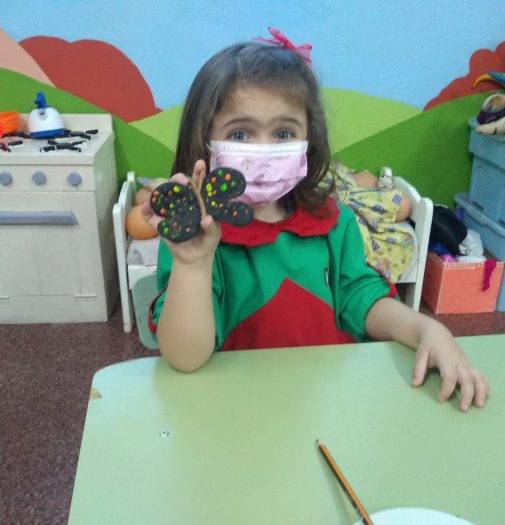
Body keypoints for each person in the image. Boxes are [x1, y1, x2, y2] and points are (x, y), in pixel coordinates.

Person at [142, 28, 489, 411]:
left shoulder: (333, 222)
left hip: (322, 408)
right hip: (235, 411)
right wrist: (193, 266)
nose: (265, 150)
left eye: (283, 133)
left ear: (309, 138)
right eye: (240, 134)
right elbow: (185, 358)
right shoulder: (193, 239)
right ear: (204, 139)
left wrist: (426, 328)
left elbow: (361, 299)